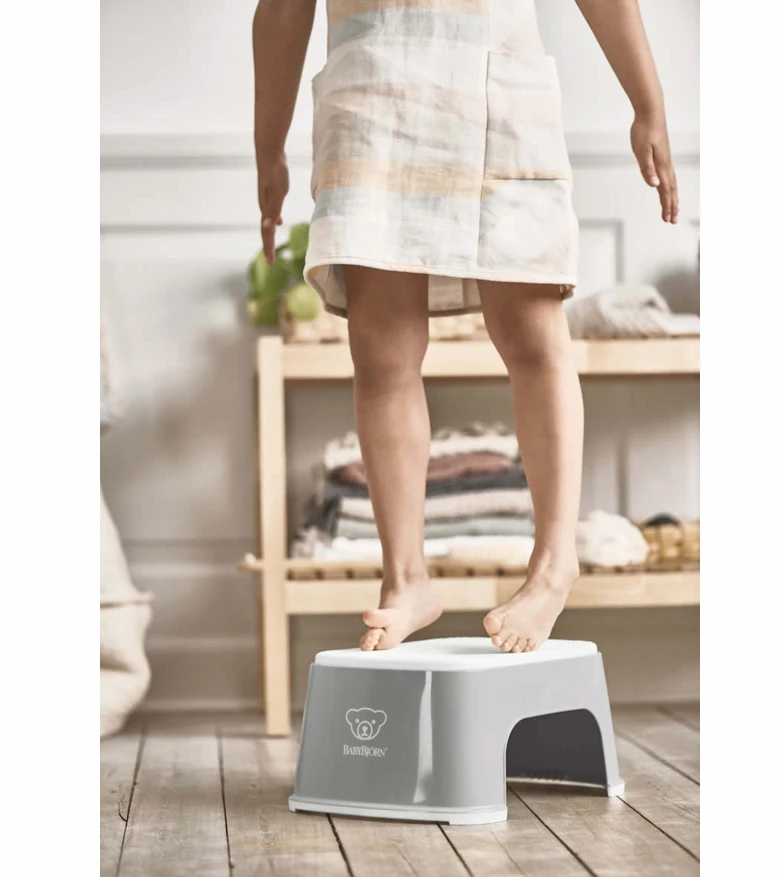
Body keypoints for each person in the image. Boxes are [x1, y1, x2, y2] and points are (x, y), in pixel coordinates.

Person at [253, 0, 678, 653]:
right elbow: (282, 8)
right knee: (380, 356)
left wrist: (647, 102)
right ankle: (406, 579)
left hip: (495, 79)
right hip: (371, 95)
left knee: (532, 338)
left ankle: (554, 562)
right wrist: (268, 149)